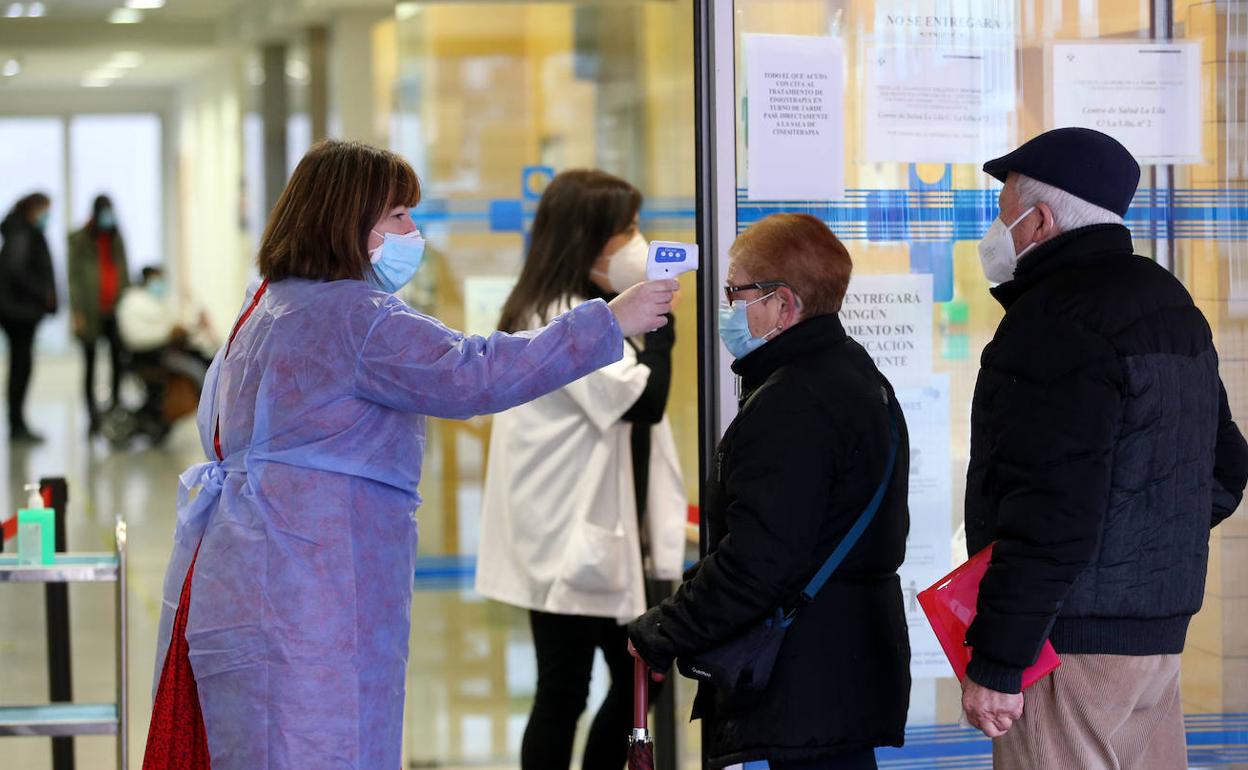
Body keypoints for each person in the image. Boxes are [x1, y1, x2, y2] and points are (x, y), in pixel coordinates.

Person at [140, 141, 676, 770]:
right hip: (314, 588)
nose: (412, 231)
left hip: (245, 573)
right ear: (348, 219)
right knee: (325, 746)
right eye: (397, 215)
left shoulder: (265, 307)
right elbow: (472, 373)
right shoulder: (357, 317)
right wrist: (609, 322)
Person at [959, 127, 1248, 769]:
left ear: (1039, 222)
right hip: (1156, 642)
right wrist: (1138, 543)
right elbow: (1224, 465)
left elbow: (1049, 509)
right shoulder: (1168, 302)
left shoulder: (1054, 320)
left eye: (1003, 215)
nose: (996, 232)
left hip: (1068, 647)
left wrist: (1000, 659)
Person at [627, 213, 911, 770]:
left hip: (805, 680)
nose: (727, 306)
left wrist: (662, 631)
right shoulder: (859, 377)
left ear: (782, 305)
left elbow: (757, 561)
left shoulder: (793, 403)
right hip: (846, 667)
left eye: (736, 291)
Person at [475, 170, 688, 770]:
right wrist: (663, 322)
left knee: (601, 683)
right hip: (564, 535)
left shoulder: (575, 312)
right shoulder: (562, 316)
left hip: (570, 530)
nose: (638, 243)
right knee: (594, 683)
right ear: (589, 240)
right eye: (627, 230)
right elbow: (645, 403)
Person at [69, 194, 130, 434]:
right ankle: (93, 416)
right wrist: (77, 313)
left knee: (118, 360)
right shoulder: (79, 240)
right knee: (91, 364)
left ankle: (114, 407)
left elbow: (124, 268)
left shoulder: (116, 237)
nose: (108, 217)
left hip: (115, 311)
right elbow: (73, 280)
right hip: (90, 312)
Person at [0, 192, 57, 443]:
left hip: (18, 312)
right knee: (20, 368)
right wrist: (42, 293)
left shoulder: (21, 232)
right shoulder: (22, 234)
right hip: (18, 313)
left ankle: (18, 422)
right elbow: (17, 270)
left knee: (21, 367)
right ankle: (17, 424)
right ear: (32, 209)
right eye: (45, 210)